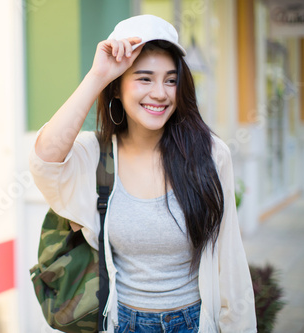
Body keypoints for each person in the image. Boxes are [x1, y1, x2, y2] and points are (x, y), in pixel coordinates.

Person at [29, 15, 256, 332]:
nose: (161, 93)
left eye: (170, 79)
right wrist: (98, 75)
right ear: (118, 88)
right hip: (125, 323)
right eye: (145, 79)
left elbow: (229, 259)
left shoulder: (210, 154)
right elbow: (45, 160)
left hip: (195, 322)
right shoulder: (96, 154)